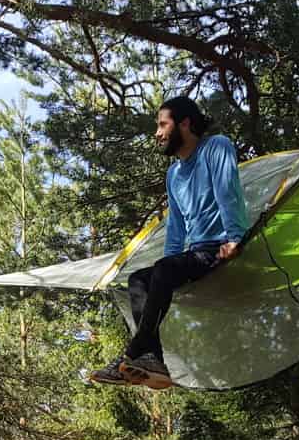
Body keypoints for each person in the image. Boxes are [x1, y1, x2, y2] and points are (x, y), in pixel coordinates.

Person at [89, 96, 250, 388]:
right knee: (139, 278)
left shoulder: (216, 147)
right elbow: (176, 226)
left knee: (162, 270)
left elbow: (228, 193)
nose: (157, 133)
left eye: (163, 124)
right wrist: (169, 269)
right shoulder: (174, 174)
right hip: (194, 254)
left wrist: (235, 238)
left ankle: (132, 351)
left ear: (185, 123)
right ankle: (153, 359)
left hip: (220, 247)